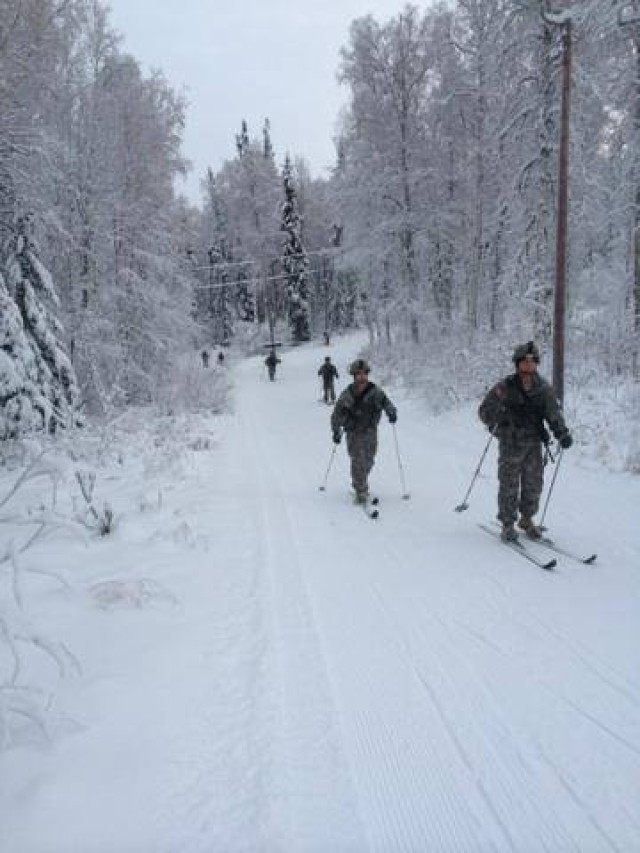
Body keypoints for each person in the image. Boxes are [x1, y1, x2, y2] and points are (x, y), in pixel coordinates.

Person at [478, 341, 573, 542]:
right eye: (525, 361)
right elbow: (484, 411)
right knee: (509, 484)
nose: (529, 365)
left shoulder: (543, 389)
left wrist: (561, 433)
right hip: (511, 443)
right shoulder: (504, 387)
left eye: (532, 361)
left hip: (533, 444)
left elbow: (553, 413)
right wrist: (502, 419)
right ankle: (507, 524)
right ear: (517, 362)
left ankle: (527, 519)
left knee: (533, 484)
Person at [331, 358, 397, 503]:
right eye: (358, 374)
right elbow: (336, 414)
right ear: (354, 376)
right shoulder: (346, 394)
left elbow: (387, 403)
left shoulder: (375, 391)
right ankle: (361, 489)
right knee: (357, 460)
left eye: (364, 374)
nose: (361, 377)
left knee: (369, 459)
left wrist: (391, 412)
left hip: (370, 431)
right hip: (353, 432)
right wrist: (336, 431)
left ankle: (360, 480)